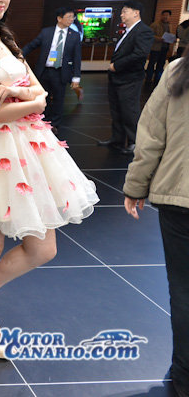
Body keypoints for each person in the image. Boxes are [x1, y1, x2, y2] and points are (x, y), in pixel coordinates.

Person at [0, 0, 98, 359]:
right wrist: (31, 102)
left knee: (43, 248)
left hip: (26, 144)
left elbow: (41, 93)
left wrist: (19, 94)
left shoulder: (5, 37)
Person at [123, 57, 189, 397]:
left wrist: (136, 185)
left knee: (184, 291)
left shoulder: (179, 70)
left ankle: (185, 375)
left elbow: (151, 134)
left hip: (181, 196)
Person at [97, 1, 154, 155]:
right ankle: (117, 140)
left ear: (136, 13)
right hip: (117, 77)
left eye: (124, 11)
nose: (121, 15)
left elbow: (139, 54)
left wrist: (117, 65)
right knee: (116, 110)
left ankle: (135, 142)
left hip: (130, 78)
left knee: (129, 111)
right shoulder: (127, 31)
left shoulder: (144, 31)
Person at [22, 7, 83, 135]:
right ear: (59, 18)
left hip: (60, 72)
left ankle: (54, 125)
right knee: (43, 97)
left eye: (73, 17)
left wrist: (76, 78)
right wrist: (18, 55)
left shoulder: (75, 35)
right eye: (68, 17)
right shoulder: (46, 32)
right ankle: (43, 121)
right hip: (44, 71)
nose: (71, 20)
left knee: (58, 100)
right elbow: (32, 45)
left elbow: (77, 58)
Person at [147, 10, 172, 84]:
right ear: (161, 15)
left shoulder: (169, 25)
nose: (165, 17)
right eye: (164, 15)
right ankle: (148, 77)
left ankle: (157, 79)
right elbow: (149, 34)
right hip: (155, 47)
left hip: (165, 47)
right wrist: (159, 38)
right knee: (152, 63)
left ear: (169, 16)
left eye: (167, 15)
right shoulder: (155, 24)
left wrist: (172, 40)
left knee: (161, 64)